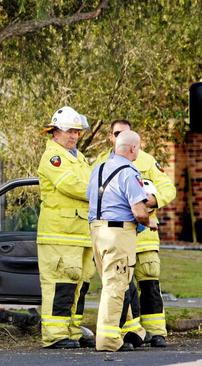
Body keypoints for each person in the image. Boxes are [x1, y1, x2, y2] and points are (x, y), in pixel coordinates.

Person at [94, 120, 176, 347]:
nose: (123, 135)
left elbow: (168, 187)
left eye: (127, 132)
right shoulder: (103, 162)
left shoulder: (146, 160)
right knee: (123, 288)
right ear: (111, 136)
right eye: (118, 133)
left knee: (149, 284)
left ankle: (157, 332)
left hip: (144, 236)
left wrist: (153, 200)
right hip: (121, 232)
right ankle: (131, 332)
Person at [87, 130, 157, 352]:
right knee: (116, 286)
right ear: (133, 148)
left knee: (113, 283)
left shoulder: (98, 168)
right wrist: (149, 222)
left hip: (97, 232)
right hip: (119, 233)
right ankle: (108, 340)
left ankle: (129, 331)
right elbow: (138, 211)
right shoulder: (128, 172)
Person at [36, 106, 95, 349]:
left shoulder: (77, 157)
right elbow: (72, 185)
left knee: (78, 284)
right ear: (56, 132)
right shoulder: (53, 157)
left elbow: (89, 181)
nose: (73, 136)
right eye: (69, 131)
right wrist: (103, 193)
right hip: (59, 233)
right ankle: (55, 334)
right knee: (59, 283)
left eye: (77, 132)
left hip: (80, 233)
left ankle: (71, 330)